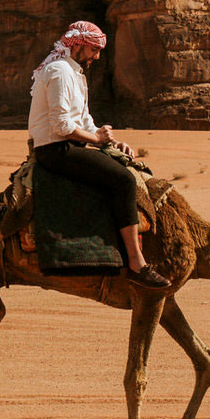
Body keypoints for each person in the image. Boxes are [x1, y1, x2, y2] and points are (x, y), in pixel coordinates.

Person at [28, 20, 169, 291]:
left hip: (69, 145)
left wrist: (111, 143)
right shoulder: (59, 72)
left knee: (120, 165)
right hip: (55, 150)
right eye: (94, 50)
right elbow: (62, 126)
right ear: (78, 45)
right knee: (124, 181)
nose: (97, 56)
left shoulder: (74, 73)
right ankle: (137, 264)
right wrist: (96, 140)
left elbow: (84, 121)